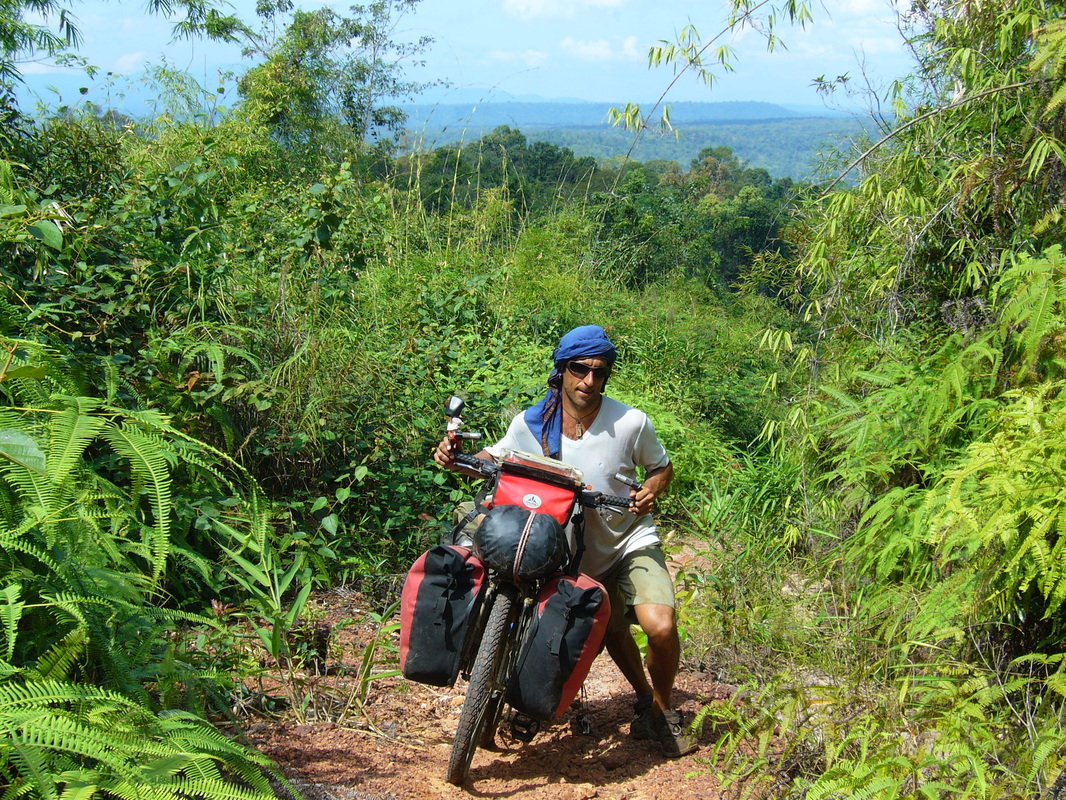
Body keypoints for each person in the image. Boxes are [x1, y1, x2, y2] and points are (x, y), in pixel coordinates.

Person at [433, 324, 697, 758]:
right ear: (562, 370)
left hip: (629, 540)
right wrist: (454, 457)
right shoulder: (534, 423)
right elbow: (495, 459)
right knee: (607, 631)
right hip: (572, 554)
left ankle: (663, 712)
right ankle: (641, 699)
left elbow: (661, 467)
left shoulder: (631, 422)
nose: (589, 381)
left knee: (660, 627)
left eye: (599, 371)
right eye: (580, 369)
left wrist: (652, 489)